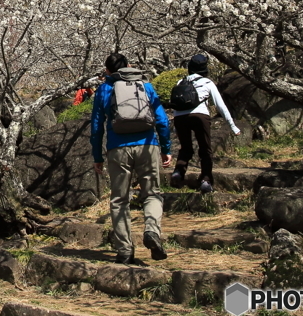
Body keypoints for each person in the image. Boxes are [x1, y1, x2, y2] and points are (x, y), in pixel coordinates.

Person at [91, 53, 172, 264]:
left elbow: (97, 126)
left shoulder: (104, 90)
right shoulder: (145, 86)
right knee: (152, 194)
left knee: (119, 200)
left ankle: (125, 250)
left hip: (117, 148)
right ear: (129, 66)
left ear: (107, 71)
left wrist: (97, 156)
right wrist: (166, 148)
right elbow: (162, 120)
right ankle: (152, 231)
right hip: (147, 145)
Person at [169, 53, 241, 193]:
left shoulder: (180, 82)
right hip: (200, 116)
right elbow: (220, 106)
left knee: (185, 148)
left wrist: (174, 128)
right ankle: (206, 181)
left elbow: (175, 104)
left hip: (180, 117)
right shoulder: (207, 82)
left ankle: (178, 172)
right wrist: (232, 125)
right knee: (205, 150)